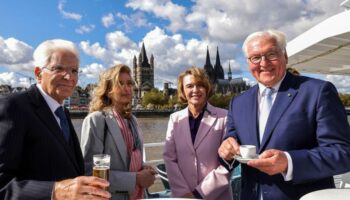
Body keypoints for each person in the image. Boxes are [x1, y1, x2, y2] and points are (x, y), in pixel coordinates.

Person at [218, 29, 350, 200]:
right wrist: (226, 150)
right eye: (255, 57)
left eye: (271, 54)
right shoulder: (238, 102)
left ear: (285, 56)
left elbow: (343, 152)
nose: (264, 63)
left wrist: (289, 162)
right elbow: (233, 144)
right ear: (248, 62)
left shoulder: (318, 92)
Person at [0, 39, 110, 199]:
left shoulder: (62, 111)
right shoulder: (12, 106)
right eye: (58, 68)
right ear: (38, 73)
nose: (69, 77)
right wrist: (56, 191)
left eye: (74, 71)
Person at [80, 64, 156, 200]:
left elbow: (126, 160)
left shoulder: (132, 120)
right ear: (108, 89)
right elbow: (90, 173)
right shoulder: (96, 120)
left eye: (129, 83)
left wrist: (143, 168)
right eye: (120, 84)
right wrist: (136, 179)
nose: (126, 88)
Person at [163, 67, 232, 199]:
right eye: (189, 86)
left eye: (200, 85)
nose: (195, 90)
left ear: (207, 89)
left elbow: (228, 163)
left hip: (215, 195)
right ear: (183, 90)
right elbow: (169, 158)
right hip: (183, 196)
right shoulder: (175, 118)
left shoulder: (225, 117)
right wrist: (184, 193)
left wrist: (199, 194)